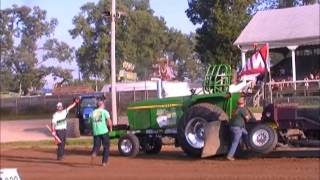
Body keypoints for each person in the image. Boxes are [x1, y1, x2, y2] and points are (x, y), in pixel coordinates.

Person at [89, 99, 113, 166]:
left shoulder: (92, 113)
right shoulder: (104, 111)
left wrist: (92, 130)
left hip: (96, 132)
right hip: (104, 131)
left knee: (96, 146)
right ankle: (104, 162)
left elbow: (90, 123)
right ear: (102, 105)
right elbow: (109, 121)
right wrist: (110, 128)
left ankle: (94, 153)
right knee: (106, 146)